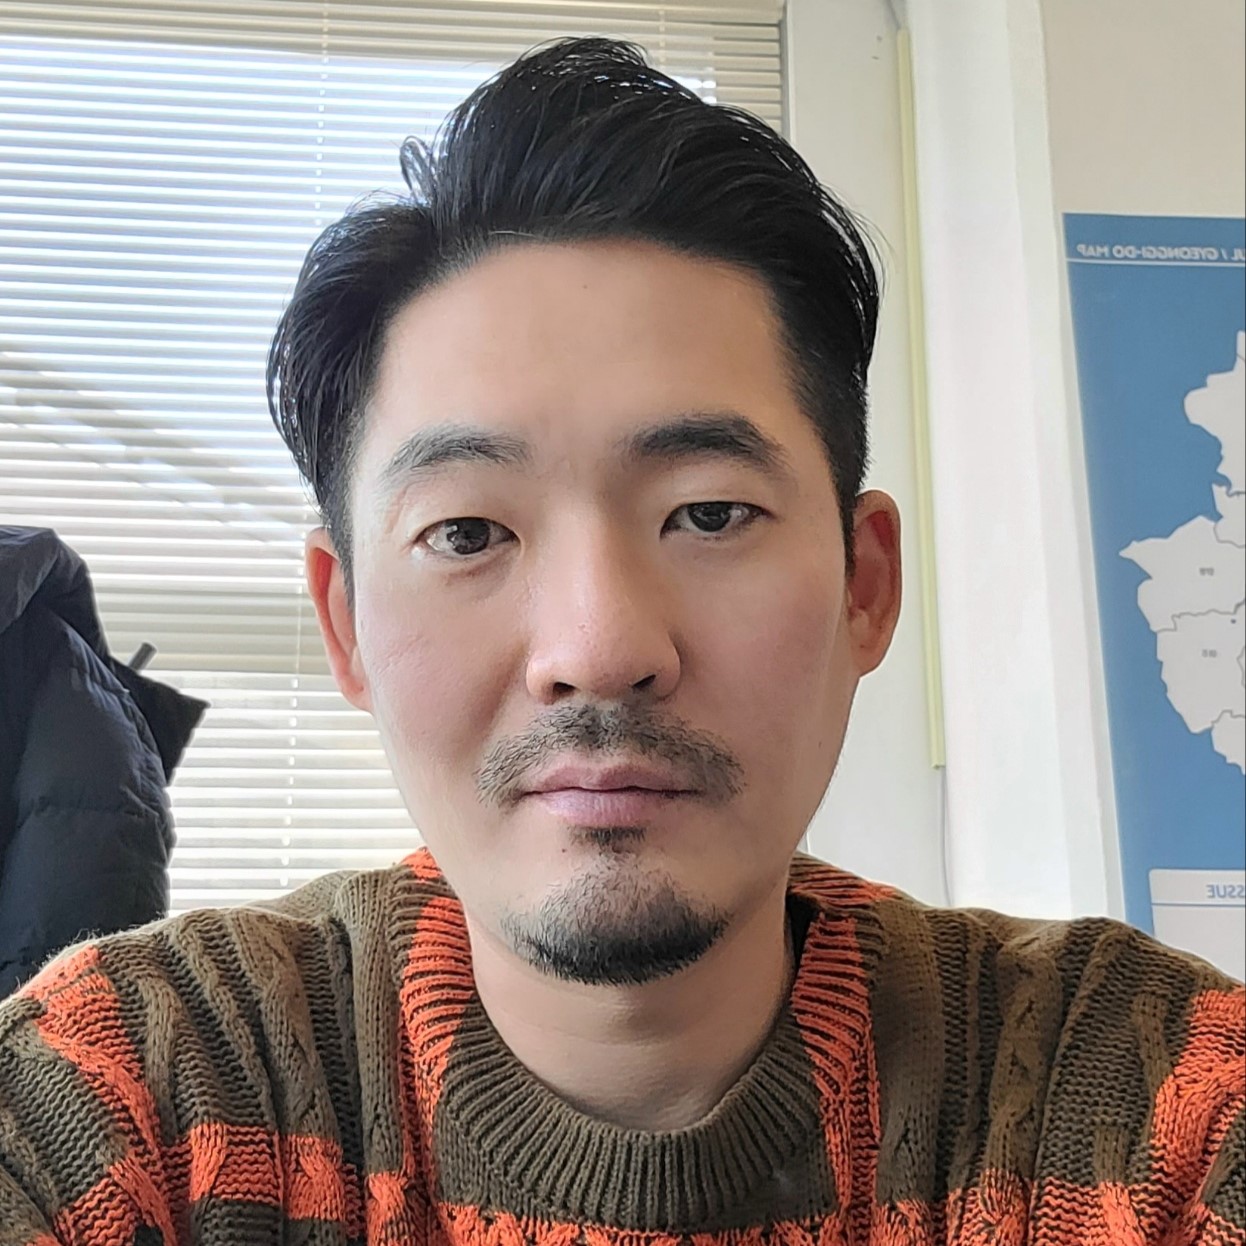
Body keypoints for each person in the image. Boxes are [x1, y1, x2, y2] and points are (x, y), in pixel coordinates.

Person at [0, 36, 1241, 1246]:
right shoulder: (125, 1094)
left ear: (865, 586)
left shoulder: (1155, 1106)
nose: (598, 649)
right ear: (347, 623)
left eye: (709, 513)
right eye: (468, 531)